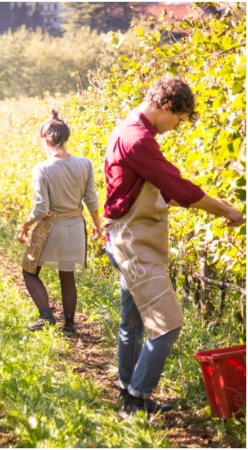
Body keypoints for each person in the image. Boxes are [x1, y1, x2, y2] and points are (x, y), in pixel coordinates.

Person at [103, 76, 243, 417]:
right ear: (165, 107)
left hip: (124, 239)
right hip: (134, 244)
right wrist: (226, 209)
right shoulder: (138, 140)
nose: (176, 127)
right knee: (167, 325)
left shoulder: (128, 130)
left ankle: (127, 392)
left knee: (132, 324)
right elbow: (177, 187)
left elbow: (161, 188)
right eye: (178, 120)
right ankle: (136, 402)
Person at [18, 110, 102, 334]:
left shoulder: (43, 168)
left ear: (46, 140)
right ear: (66, 138)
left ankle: (46, 316)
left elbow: (41, 208)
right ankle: (70, 325)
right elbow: (91, 198)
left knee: (29, 270)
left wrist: (26, 225)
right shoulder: (85, 164)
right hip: (75, 226)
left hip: (51, 228)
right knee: (67, 276)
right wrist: (97, 224)